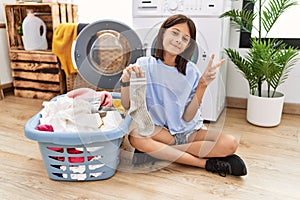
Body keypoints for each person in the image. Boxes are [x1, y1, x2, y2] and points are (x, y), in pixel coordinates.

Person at [120, 14, 247, 177]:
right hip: (162, 133)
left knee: (230, 143)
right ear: (162, 33)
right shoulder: (143, 65)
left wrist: (202, 85)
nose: (179, 40)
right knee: (135, 137)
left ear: (188, 45)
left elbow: (188, 117)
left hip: (190, 133)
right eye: (174, 32)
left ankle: (156, 153)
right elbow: (127, 105)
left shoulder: (192, 71)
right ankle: (206, 164)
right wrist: (125, 82)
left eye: (185, 38)